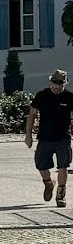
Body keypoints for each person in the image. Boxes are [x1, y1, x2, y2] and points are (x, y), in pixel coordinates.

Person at [25, 69, 73, 206]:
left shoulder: (70, 97)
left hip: (63, 138)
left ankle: (61, 194)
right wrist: (28, 135)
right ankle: (48, 183)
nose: (56, 87)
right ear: (50, 82)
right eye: (54, 84)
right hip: (45, 137)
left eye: (59, 85)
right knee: (41, 165)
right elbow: (32, 115)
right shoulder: (42, 95)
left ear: (64, 84)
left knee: (63, 165)